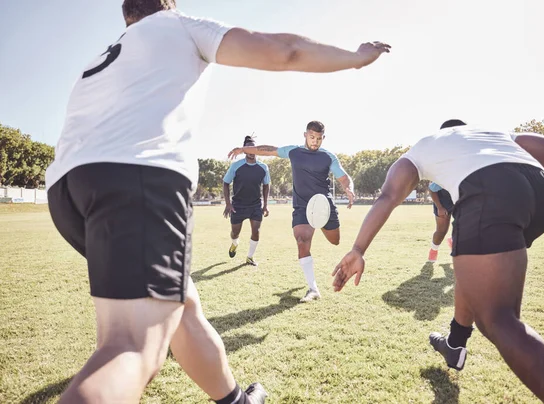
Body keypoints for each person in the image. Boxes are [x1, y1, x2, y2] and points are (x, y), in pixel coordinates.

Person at [44, 0, 390, 401]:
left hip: (67, 189)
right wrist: (354, 58)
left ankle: (237, 400)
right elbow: (284, 51)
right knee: (132, 347)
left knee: (184, 309)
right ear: (169, 5)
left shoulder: (104, 56)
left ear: (127, 15)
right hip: (133, 179)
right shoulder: (178, 26)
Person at [331, 120, 544, 404]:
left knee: (496, 317)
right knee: (470, 261)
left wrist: (358, 248)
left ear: (441, 132)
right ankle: (455, 343)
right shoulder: (494, 133)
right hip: (542, 194)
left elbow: (389, 194)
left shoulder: (423, 145)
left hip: (490, 192)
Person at [228, 121, 355, 303]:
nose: (315, 142)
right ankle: (313, 289)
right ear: (305, 135)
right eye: (312, 137)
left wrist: (349, 188)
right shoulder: (294, 151)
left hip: (323, 206)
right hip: (302, 207)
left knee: (335, 241)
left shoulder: (328, 157)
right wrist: (244, 149)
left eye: (319, 139)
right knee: (302, 240)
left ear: (323, 138)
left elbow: (343, 177)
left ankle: (319, 230)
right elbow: (270, 150)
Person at [223, 135, 271, 266]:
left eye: (253, 150)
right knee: (235, 233)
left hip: (255, 205)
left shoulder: (263, 167)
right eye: (248, 150)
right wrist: (228, 204)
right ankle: (234, 243)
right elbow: (225, 183)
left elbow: (266, 185)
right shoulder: (236, 166)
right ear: (244, 151)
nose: (251, 153)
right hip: (238, 206)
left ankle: (250, 257)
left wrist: (265, 205)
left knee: (256, 231)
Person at [427, 182, 454, 262]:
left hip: (459, 202)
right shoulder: (448, 175)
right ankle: (434, 249)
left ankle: (453, 240)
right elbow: (432, 189)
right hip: (443, 202)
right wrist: (440, 207)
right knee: (442, 231)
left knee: (463, 227)